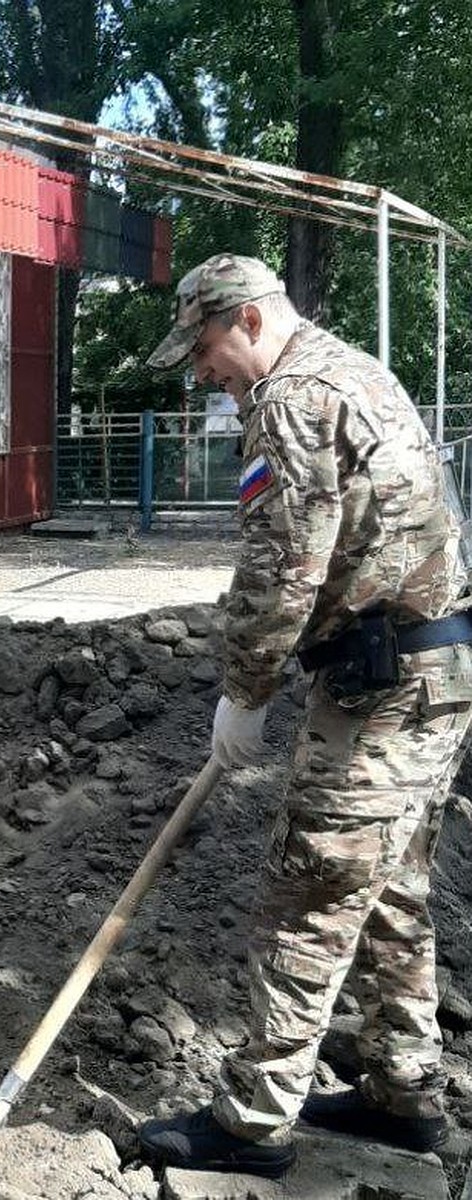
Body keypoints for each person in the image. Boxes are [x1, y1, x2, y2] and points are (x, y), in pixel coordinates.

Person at [136, 254, 472, 1178]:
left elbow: (285, 568)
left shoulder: (289, 400)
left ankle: (252, 1122)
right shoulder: (358, 370)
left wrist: (243, 693)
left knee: (308, 898)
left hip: (379, 691)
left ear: (245, 319)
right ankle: (404, 1094)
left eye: (203, 349)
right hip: (438, 671)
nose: (202, 372)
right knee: (394, 888)